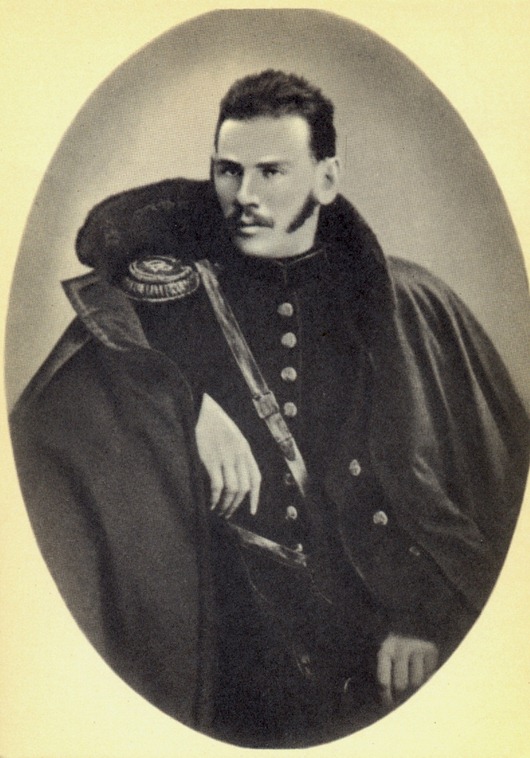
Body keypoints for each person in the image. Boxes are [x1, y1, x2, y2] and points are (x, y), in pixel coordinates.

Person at [10, 70, 529, 747]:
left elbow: (491, 500)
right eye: (228, 171)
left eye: (272, 172)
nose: (245, 196)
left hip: (375, 654)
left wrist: (427, 618)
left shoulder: (404, 305)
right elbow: (60, 424)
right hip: (227, 661)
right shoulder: (165, 306)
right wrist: (186, 403)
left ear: (327, 178)